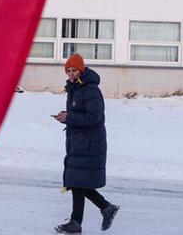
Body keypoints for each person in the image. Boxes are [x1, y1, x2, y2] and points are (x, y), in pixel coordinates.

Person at [54, 53, 119, 233]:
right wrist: (66, 118)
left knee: (77, 181)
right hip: (79, 142)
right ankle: (103, 209)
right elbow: (79, 114)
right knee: (77, 181)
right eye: (68, 71)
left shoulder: (90, 90)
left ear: (81, 71)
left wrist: (70, 117)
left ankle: (87, 217)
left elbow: (94, 117)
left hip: (90, 143)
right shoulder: (75, 89)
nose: (71, 74)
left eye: (74, 70)